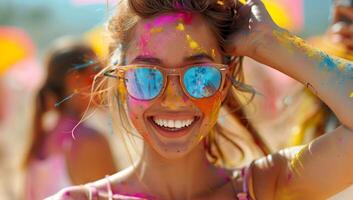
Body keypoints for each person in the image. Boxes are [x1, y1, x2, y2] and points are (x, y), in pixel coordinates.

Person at [49, 0, 353, 199]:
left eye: (199, 75)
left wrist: (268, 43)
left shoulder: (266, 187)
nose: (173, 99)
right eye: (147, 75)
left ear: (225, 81)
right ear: (120, 80)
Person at [23, 38, 117, 200]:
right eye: (98, 71)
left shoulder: (41, 137)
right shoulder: (87, 139)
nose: (105, 79)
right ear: (76, 79)